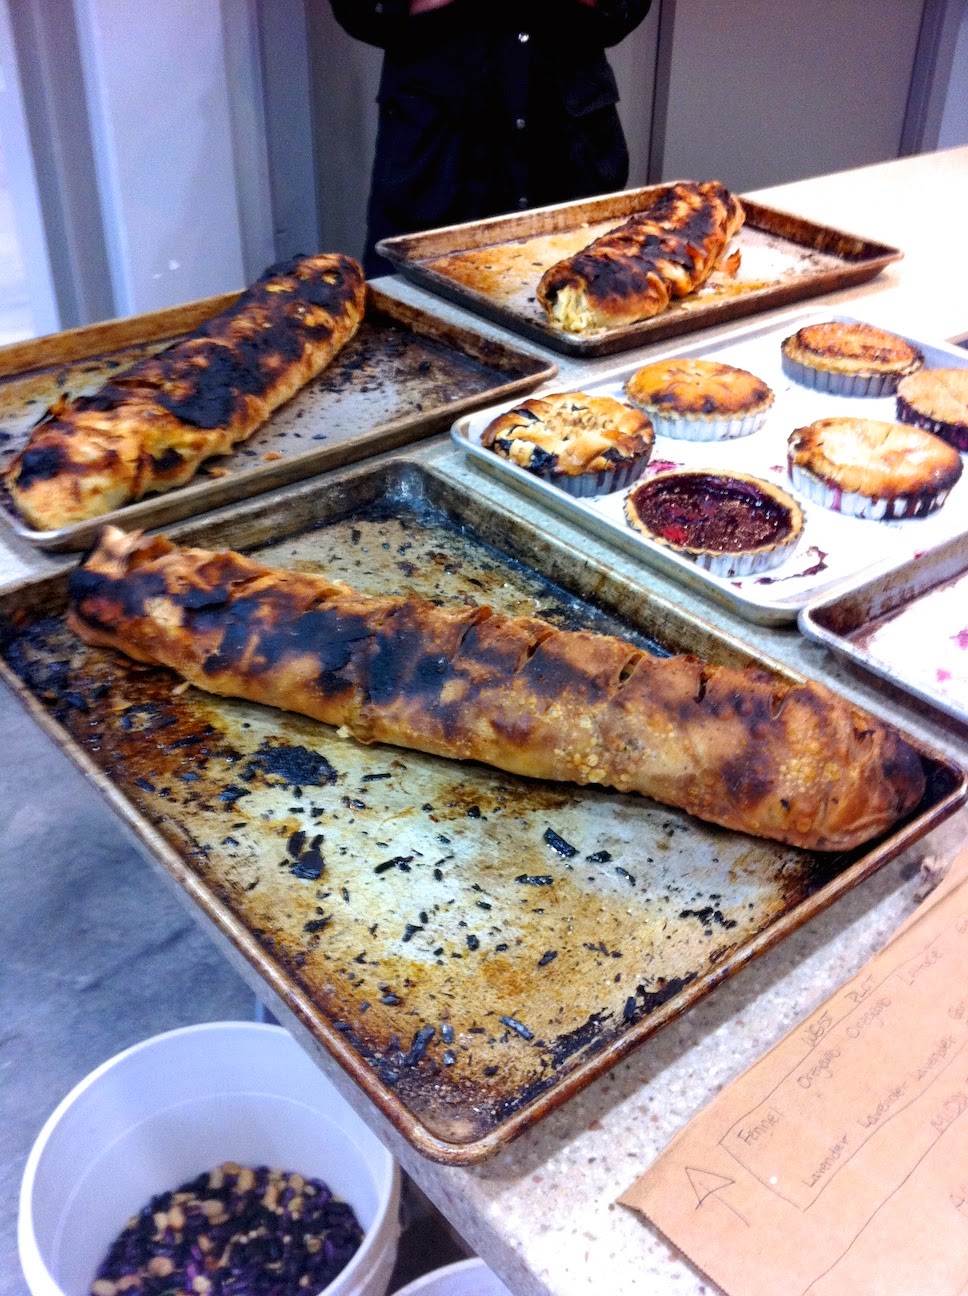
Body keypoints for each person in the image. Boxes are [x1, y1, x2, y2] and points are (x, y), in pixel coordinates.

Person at [328, 0, 653, 275]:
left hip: (565, 148)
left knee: (587, 304)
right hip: (437, 156)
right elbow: (357, 10)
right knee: (407, 330)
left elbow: (627, 8)